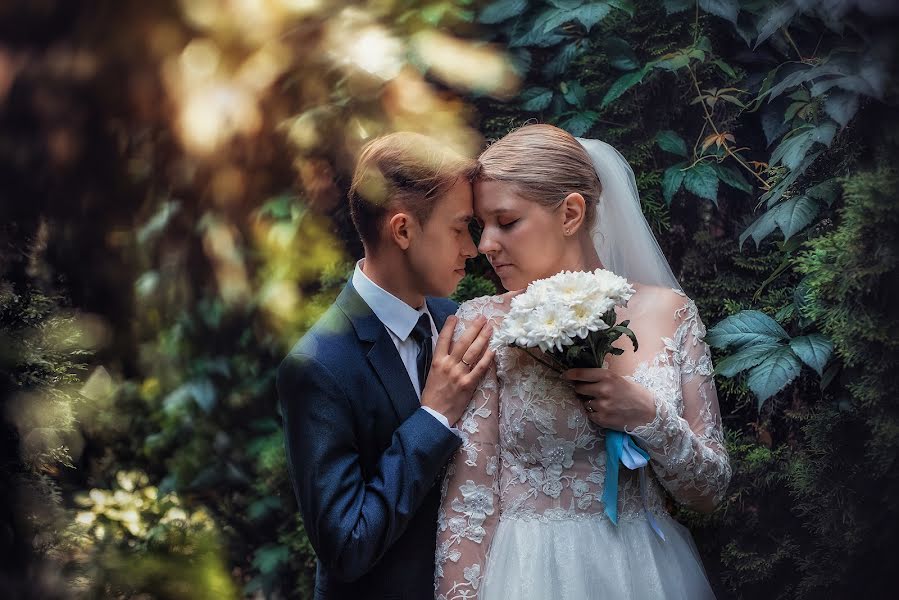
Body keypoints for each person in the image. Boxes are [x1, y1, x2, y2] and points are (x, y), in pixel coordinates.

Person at [434, 124, 731, 600]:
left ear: (571, 213)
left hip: (648, 574)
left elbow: (710, 491)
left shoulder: (671, 313)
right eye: (480, 226)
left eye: (505, 222)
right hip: (529, 576)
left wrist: (648, 417)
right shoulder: (482, 324)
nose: (486, 244)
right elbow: (468, 505)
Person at [278, 131, 496, 599]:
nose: (472, 249)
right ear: (402, 230)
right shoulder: (318, 367)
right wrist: (432, 418)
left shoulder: (459, 322)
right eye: (460, 228)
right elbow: (346, 545)